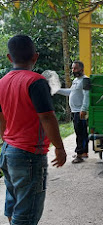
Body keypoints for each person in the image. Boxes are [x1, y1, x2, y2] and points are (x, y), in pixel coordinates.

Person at [0, 35, 67, 225]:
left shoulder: (2, 82)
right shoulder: (36, 82)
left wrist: (6, 140)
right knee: (27, 213)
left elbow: (1, 117)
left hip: (8, 151)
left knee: (13, 202)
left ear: (9, 57)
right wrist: (60, 148)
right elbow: (47, 117)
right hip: (28, 155)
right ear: (35, 57)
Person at [57, 61, 90, 163]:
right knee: (80, 132)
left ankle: (79, 154)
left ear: (81, 69)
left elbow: (87, 95)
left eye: (75, 68)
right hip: (75, 111)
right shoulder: (76, 80)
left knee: (80, 133)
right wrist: (57, 90)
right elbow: (70, 92)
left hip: (80, 111)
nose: (73, 70)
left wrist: (83, 109)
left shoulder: (86, 80)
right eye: (72, 68)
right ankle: (83, 152)